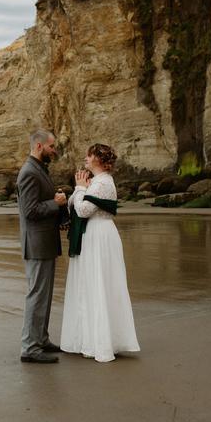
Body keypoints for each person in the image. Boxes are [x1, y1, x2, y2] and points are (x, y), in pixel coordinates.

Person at [60, 143, 140, 362]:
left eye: (89, 155)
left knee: (98, 283)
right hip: (92, 236)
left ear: (98, 159)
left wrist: (78, 188)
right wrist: (76, 192)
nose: (85, 158)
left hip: (99, 236)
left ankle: (101, 342)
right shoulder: (93, 182)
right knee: (90, 283)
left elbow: (84, 209)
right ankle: (89, 337)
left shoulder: (103, 182)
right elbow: (73, 206)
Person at [16, 129, 69, 364]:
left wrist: (55, 203)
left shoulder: (39, 169)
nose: (54, 150)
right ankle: (29, 347)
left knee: (44, 296)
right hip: (36, 244)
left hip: (45, 242)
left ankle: (42, 339)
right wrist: (55, 203)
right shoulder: (28, 172)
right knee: (36, 295)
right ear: (39, 146)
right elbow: (29, 211)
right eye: (51, 147)